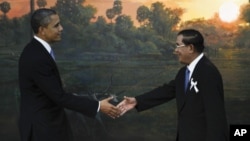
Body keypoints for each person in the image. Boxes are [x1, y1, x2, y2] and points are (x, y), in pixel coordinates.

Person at [18, 8, 120, 141]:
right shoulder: (37, 57)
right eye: (56, 25)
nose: (61, 28)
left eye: (60, 24)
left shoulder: (37, 51)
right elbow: (59, 97)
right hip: (42, 130)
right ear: (42, 30)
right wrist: (98, 106)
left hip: (47, 126)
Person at [117, 29, 229, 141]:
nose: (175, 51)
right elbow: (167, 91)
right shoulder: (184, 73)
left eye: (178, 46)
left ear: (190, 48)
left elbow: (216, 117)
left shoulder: (208, 73)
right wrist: (137, 101)